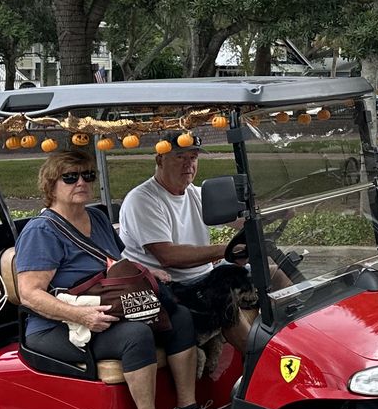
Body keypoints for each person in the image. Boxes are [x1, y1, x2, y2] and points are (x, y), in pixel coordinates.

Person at [12, 150, 222, 409]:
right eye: (70, 177)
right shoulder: (41, 232)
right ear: (51, 185)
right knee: (135, 335)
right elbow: (29, 293)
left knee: (179, 317)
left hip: (108, 307)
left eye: (88, 176)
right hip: (58, 326)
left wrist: (149, 274)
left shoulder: (95, 217)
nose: (81, 182)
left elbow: (119, 261)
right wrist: (80, 315)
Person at [119, 139, 287, 358]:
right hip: (167, 287)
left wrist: (276, 213)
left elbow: (237, 221)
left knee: (273, 272)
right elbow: (167, 256)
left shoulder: (195, 193)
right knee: (221, 292)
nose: (188, 165)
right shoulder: (142, 200)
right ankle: (263, 360)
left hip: (203, 276)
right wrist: (224, 250)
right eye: (180, 157)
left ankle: (292, 336)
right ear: (160, 159)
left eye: (193, 157)